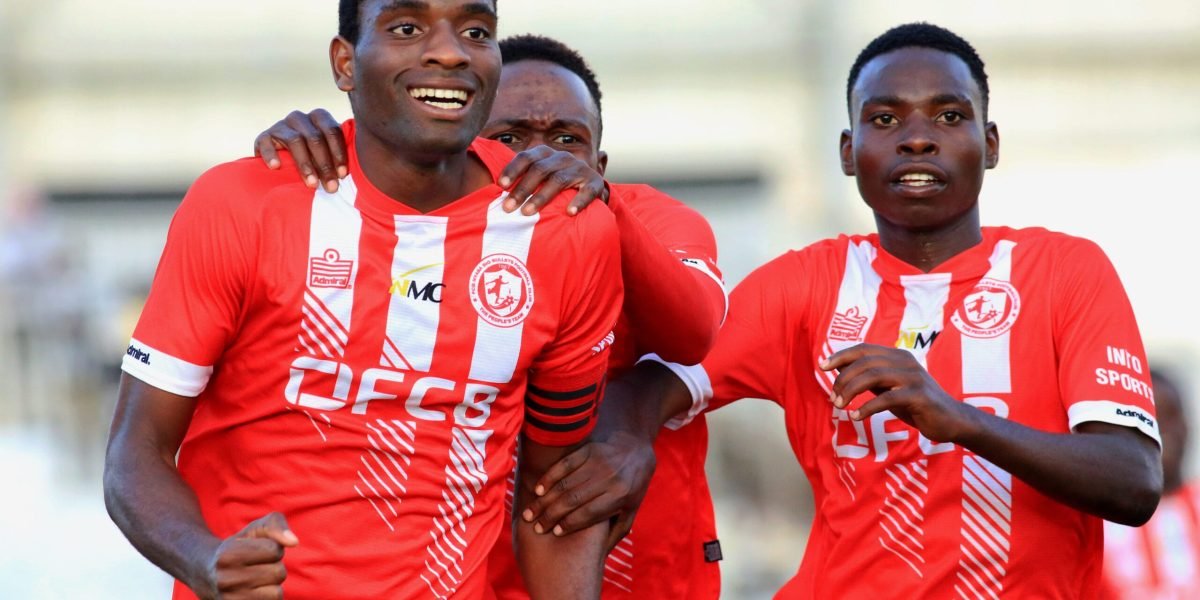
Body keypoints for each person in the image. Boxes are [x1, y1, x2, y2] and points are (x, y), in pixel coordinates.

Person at [531, 21, 1163, 598]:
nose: (918, 139)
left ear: (990, 143)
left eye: (949, 116)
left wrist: (959, 419)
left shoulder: (1065, 270)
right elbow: (653, 384)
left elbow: (1133, 481)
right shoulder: (802, 284)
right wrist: (627, 441)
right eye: (884, 119)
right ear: (847, 151)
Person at [103, 2, 628, 598]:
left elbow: (553, 496)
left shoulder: (569, 232)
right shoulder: (242, 203)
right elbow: (135, 454)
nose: (449, 51)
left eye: (476, 31)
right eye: (406, 28)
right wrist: (204, 558)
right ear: (345, 63)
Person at [251, 34, 727, 600]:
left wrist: (634, 409)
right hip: (472, 577)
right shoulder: (420, 236)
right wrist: (326, 159)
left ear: (600, 163)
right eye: (508, 138)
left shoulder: (648, 218)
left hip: (655, 580)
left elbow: (697, 331)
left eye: (567, 140)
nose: (541, 158)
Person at [1103, 367, 1200, 599]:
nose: (1162, 432)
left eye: (1171, 416)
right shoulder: (1097, 521)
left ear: (1187, 424)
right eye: (1148, 420)